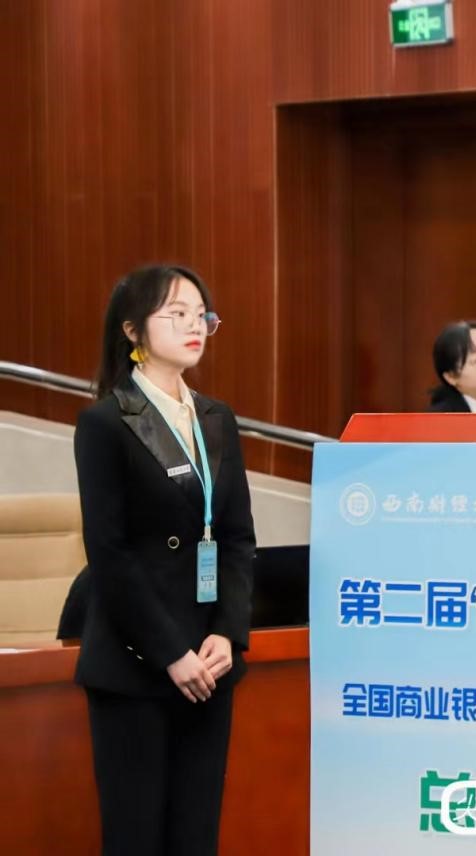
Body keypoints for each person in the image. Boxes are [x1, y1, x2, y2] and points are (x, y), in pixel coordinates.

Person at [73, 264, 256, 856]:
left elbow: (237, 539)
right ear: (132, 330)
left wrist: (227, 632)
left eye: (201, 314)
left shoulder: (216, 418)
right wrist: (172, 653)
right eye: (175, 313)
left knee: (195, 836)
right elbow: (109, 553)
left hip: (210, 662)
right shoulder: (106, 422)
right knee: (136, 837)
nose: (193, 325)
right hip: (138, 664)